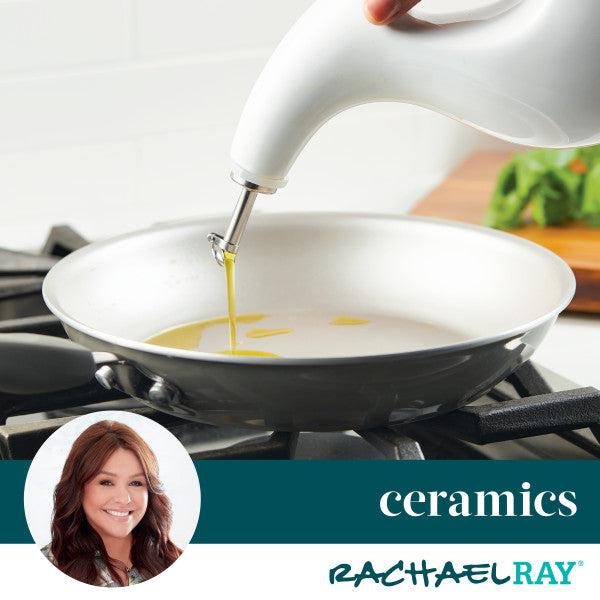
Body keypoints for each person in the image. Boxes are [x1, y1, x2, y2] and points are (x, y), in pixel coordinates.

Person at [41, 420, 182, 587]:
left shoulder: (175, 561)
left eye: (136, 483)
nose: (124, 499)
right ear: (78, 487)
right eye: (106, 482)